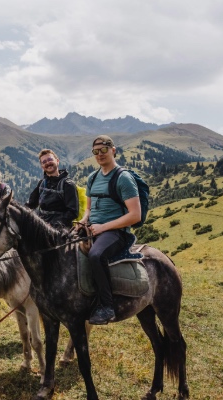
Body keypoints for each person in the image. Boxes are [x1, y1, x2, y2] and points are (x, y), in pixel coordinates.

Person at [77, 135, 141, 325]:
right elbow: (89, 208)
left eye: (103, 150)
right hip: (93, 228)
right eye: (95, 152)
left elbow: (135, 215)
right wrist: (83, 220)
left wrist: (103, 227)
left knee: (96, 255)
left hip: (116, 232)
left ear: (113, 150)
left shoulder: (123, 178)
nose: (99, 155)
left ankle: (107, 306)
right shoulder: (92, 177)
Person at [26, 149, 79, 229]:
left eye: (50, 159)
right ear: (42, 166)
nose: (47, 163)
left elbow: (73, 212)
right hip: (42, 227)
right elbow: (31, 204)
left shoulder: (67, 184)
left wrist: (53, 224)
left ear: (57, 161)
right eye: (44, 162)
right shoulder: (42, 183)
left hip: (61, 230)